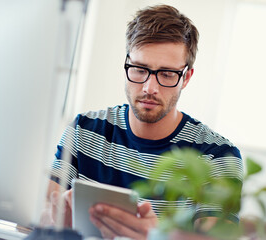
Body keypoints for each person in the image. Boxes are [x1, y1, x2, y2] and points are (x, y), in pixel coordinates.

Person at [43, 4, 243, 239]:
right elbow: (45, 213)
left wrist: (157, 236)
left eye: (167, 74)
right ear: (126, 63)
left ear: (186, 78)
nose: (150, 88)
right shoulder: (83, 130)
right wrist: (56, 221)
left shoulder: (218, 157)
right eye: (139, 69)